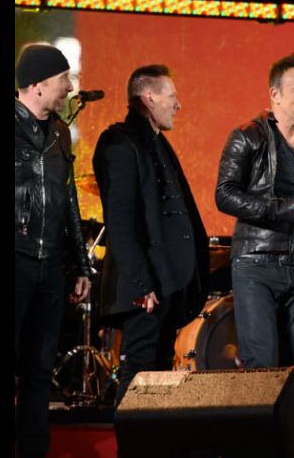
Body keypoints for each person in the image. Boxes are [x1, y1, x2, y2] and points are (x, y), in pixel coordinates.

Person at [215, 53, 294, 376]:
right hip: (255, 264)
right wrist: (281, 210)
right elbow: (225, 194)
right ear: (275, 95)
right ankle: (257, 429)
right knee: (262, 369)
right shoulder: (248, 136)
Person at [92, 64, 209, 405]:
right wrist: (143, 285)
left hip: (166, 282)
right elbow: (121, 220)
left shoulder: (156, 143)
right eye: (171, 96)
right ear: (149, 96)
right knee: (140, 368)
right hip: (144, 287)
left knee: (158, 371)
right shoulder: (119, 142)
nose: (178, 104)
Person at [15, 43, 92, 457]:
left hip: (48, 266)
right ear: (37, 84)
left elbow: (69, 200)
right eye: (63, 79)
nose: (68, 87)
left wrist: (80, 263)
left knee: (40, 370)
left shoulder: (61, 132)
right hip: (17, 256)